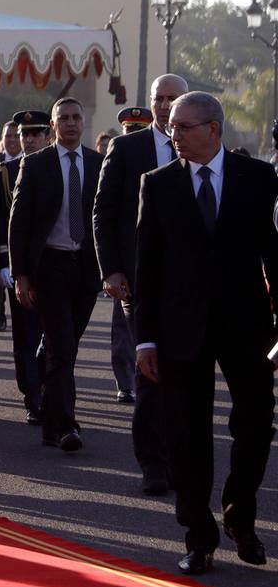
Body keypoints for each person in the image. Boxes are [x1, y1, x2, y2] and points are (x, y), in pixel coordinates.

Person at [135, 91, 278, 576]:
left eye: (184, 127)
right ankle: (199, 536)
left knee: (256, 424)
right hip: (179, 331)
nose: (174, 136)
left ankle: (240, 515)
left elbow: (274, 258)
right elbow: (147, 267)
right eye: (172, 127)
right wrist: (145, 339)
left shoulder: (260, 180)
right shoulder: (157, 185)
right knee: (186, 435)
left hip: (248, 326)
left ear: (213, 129)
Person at [92, 75, 187, 496]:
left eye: (173, 99)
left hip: (189, 282)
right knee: (149, 369)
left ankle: (178, 453)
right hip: (138, 280)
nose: (165, 106)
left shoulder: (203, 149)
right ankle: (153, 462)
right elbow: (103, 211)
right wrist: (111, 269)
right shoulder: (127, 148)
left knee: (183, 372)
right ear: (150, 104)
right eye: (159, 99)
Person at [9, 97, 102, 453]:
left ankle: (49, 415)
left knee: (63, 347)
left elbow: (106, 219)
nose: (71, 123)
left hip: (86, 266)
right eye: (63, 118)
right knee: (62, 348)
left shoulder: (97, 162)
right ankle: (66, 427)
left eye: (77, 117)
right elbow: (19, 223)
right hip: (50, 266)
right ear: (53, 124)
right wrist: (21, 275)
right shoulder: (36, 164)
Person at [0, 110, 51, 424]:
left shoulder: (60, 168)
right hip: (22, 268)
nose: (28, 140)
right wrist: (4, 263)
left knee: (55, 335)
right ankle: (32, 395)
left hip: (56, 267)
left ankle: (49, 388)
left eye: (35, 134)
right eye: (24, 134)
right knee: (25, 335)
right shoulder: (4, 171)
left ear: (47, 136)